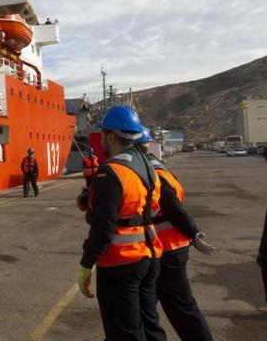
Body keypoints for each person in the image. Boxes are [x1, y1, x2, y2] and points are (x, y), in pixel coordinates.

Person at [78, 105, 166, 341]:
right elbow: (153, 207)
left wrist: (87, 264)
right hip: (150, 256)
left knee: (123, 333)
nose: (101, 140)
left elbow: (103, 227)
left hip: (121, 262)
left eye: (103, 134)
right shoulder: (147, 167)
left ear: (112, 136)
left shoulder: (110, 172)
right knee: (149, 325)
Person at [136, 128, 215, 340]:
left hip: (167, 250)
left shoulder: (151, 174)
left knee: (181, 310)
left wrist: (194, 232)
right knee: (145, 311)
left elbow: (173, 207)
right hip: (165, 249)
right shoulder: (157, 166)